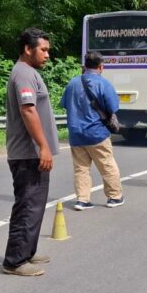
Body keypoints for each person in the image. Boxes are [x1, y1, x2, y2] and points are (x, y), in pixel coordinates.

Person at [2, 28, 59, 277]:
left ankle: (27, 250)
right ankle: (15, 260)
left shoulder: (29, 72)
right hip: (28, 153)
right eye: (43, 50)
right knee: (27, 205)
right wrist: (43, 146)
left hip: (31, 152)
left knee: (35, 205)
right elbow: (28, 110)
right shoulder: (24, 74)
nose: (47, 55)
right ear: (28, 49)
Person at [60, 51, 124, 210]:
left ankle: (82, 200)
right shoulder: (103, 83)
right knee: (107, 165)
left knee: (81, 168)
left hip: (76, 133)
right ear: (101, 66)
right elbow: (113, 107)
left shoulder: (72, 83)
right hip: (97, 133)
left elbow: (65, 104)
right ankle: (114, 197)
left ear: (85, 66)